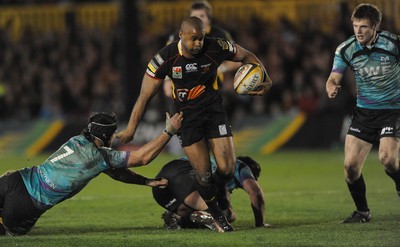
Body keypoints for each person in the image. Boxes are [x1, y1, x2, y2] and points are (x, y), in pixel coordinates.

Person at [115, 16, 272, 232]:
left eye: (201, 38)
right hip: (186, 120)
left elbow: (246, 55)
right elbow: (144, 96)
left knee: (226, 168)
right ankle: (219, 217)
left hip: (214, 112)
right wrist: (131, 130)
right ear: (181, 36)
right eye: (193, 39)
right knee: (204, 175)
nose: (198, 43)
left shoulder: (216, 46)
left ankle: (215, 203)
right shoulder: (165, 58)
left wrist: (266, 79)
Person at [0, 111, 183, 236]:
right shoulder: (98, 156)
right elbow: (143, 158)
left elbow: (115, 173)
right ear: (105, 136)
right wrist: (169, 131)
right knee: (8, 232)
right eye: (112, 134)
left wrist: (145, 181)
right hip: (27, 204)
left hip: (15, 179)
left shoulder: (77, 140)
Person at [325, 3, 400, 224]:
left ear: (376, 26)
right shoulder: (345, 49)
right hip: (364, 113)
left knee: (387, 159)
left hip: (393, 110)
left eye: (364, 27)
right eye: (356, 26)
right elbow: (333, 77)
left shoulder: (394, 43)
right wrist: (330, 86)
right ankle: (363, 212)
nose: (359, 31)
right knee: (350, 167)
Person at [152, 156, 270, 231]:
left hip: (160, 185)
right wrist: (260, 224)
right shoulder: (239, 166)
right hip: (185, 175)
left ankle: (176, 219)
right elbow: (255, 192)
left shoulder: (216, 161)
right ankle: (194, 218)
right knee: (227, 215)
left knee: (187, 208)